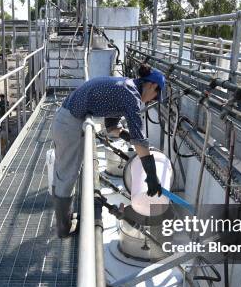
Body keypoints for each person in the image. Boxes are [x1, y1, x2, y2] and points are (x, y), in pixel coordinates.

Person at [51, 63, 165, 238]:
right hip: (69, 123)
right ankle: (63, 229)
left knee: (65, 172)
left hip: (69, 120)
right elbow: (140, 141)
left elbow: (111, 127)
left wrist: (127, 136)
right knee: (66, 174)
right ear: (152, 85)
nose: (152, 100)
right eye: (155, 96)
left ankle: (66, 218)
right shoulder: (131, 95)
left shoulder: (126, 87)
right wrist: (151, 175)